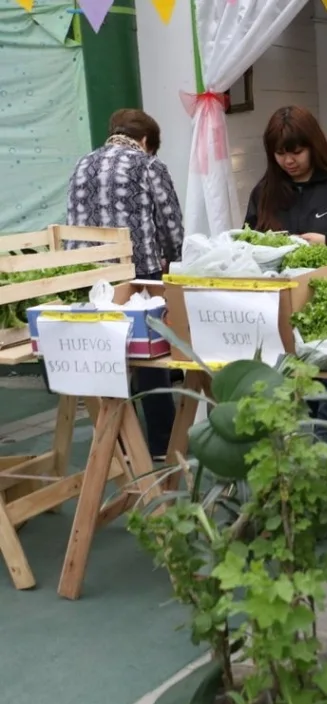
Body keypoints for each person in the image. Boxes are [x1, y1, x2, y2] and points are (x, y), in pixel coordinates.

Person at [65, 108, 180, 460]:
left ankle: (118, 446)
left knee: (106, 358)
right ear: (146, 141)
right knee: (150, 357)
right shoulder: (147, 165)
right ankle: (161, 443)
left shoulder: (82, 164)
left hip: (89, 277)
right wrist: (173, 257)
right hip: (138, 272)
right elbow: (170, 222)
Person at [244, 105, 327, 253]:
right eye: (280, 153)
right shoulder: (263, 192)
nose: (288, 161)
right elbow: (247, 242)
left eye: (297, 152)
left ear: (314, 147)